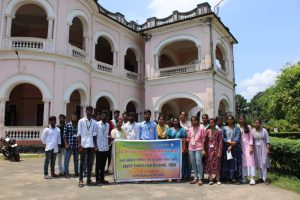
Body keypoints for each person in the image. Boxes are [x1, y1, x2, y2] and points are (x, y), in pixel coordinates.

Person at [78, 106, 98, 187]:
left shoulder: (94, 122)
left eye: (90, 110)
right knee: (82, 163)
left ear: (92, 111)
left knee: (90, 163)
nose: (89, 112)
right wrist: (79, 144)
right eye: (88, 110)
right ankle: (80, 179)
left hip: (91, 145)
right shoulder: (81, 121)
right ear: (86, 111)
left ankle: (89, 179)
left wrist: (95, 145)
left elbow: (94, 135)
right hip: (83, 144)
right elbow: (79, 134)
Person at [221, 115, 242, 184]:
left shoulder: (237, 128)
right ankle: (228, 178)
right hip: (226, 148)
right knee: (227, 163)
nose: (230, 120)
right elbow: (223, 137)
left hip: (235, 149)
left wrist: (231, 145)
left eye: (231, 119)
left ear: (233, 120)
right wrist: (229, 143)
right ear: (226, 120)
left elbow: (237, 137)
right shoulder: (224, 128)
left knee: (235, 163)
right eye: (228, 119)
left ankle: (236, 178)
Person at [187, 116, 205, 186]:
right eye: (192, 121)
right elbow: (188, 138)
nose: (193, 122)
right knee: (193, 163)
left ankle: (200, 178)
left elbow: (203, 140)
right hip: (191, 148)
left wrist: (203, 149)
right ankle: (195, 178)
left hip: (199, 147)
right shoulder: (190, 129)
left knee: (198, 163)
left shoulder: (201, 129)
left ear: (197, 121)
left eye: (195, 120)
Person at [204, 118, 223, 185]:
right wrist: (204, 150)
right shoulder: (207, 131)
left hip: (216, 150)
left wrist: (219, 152)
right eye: (210, 123)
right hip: (209, 150)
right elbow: (205, 141)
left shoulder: (219, 132)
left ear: (215, 123)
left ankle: (218, 179)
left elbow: (220, 142)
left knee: (217, 164)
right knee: (209, 164)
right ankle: (210, 179)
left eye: (212, 122)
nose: (211, 124)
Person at [238, 115, 256, 185]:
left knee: (251, 162)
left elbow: (251, 137)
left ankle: (252, 178)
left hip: (248, 146)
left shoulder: (248, 127)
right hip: (241, 147)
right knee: (243, 162)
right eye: (240, 119)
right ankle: (245, 177)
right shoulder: (238, 127)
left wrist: (251, 146)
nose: (241, 120)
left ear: (244, 120)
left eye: (242, 119)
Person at [253, 119, 271, 185]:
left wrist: (268, 149)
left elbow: (268, 141)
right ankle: (260, 178)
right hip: (255, 149)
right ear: (254, 124)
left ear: (260, 124)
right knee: (258, 163)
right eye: (256, 123)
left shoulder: (264, 130)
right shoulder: (252, 131)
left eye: (258, 123)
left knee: (263, 163)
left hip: (263, 148)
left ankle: (265, 178)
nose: (257, 124)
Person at [95, 111, 110, 186]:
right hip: (99, 147)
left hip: (105, 147)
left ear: (107, 117)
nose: (104, 117)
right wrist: (95, 146)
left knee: (103, 164)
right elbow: (94, 135)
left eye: (106, 116)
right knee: (98, 165)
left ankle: (102, 179)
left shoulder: (107, 125)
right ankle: (97, 180)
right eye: (103, 115)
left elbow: (107, 135)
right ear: (100, 116)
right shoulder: (97, 124)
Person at [64, 113, 79, 178]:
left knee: (76, 160)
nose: (74, 118)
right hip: (69, 145)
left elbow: (80, 135)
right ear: (71, 118)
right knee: (67, 160)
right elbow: (64, 136)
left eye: (75, 117)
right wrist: (66, 144)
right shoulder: (67, 125)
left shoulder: (79, 125)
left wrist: (79, 144)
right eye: (73, 117)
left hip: (76, 145)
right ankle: (66, 173)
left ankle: (76, 172)